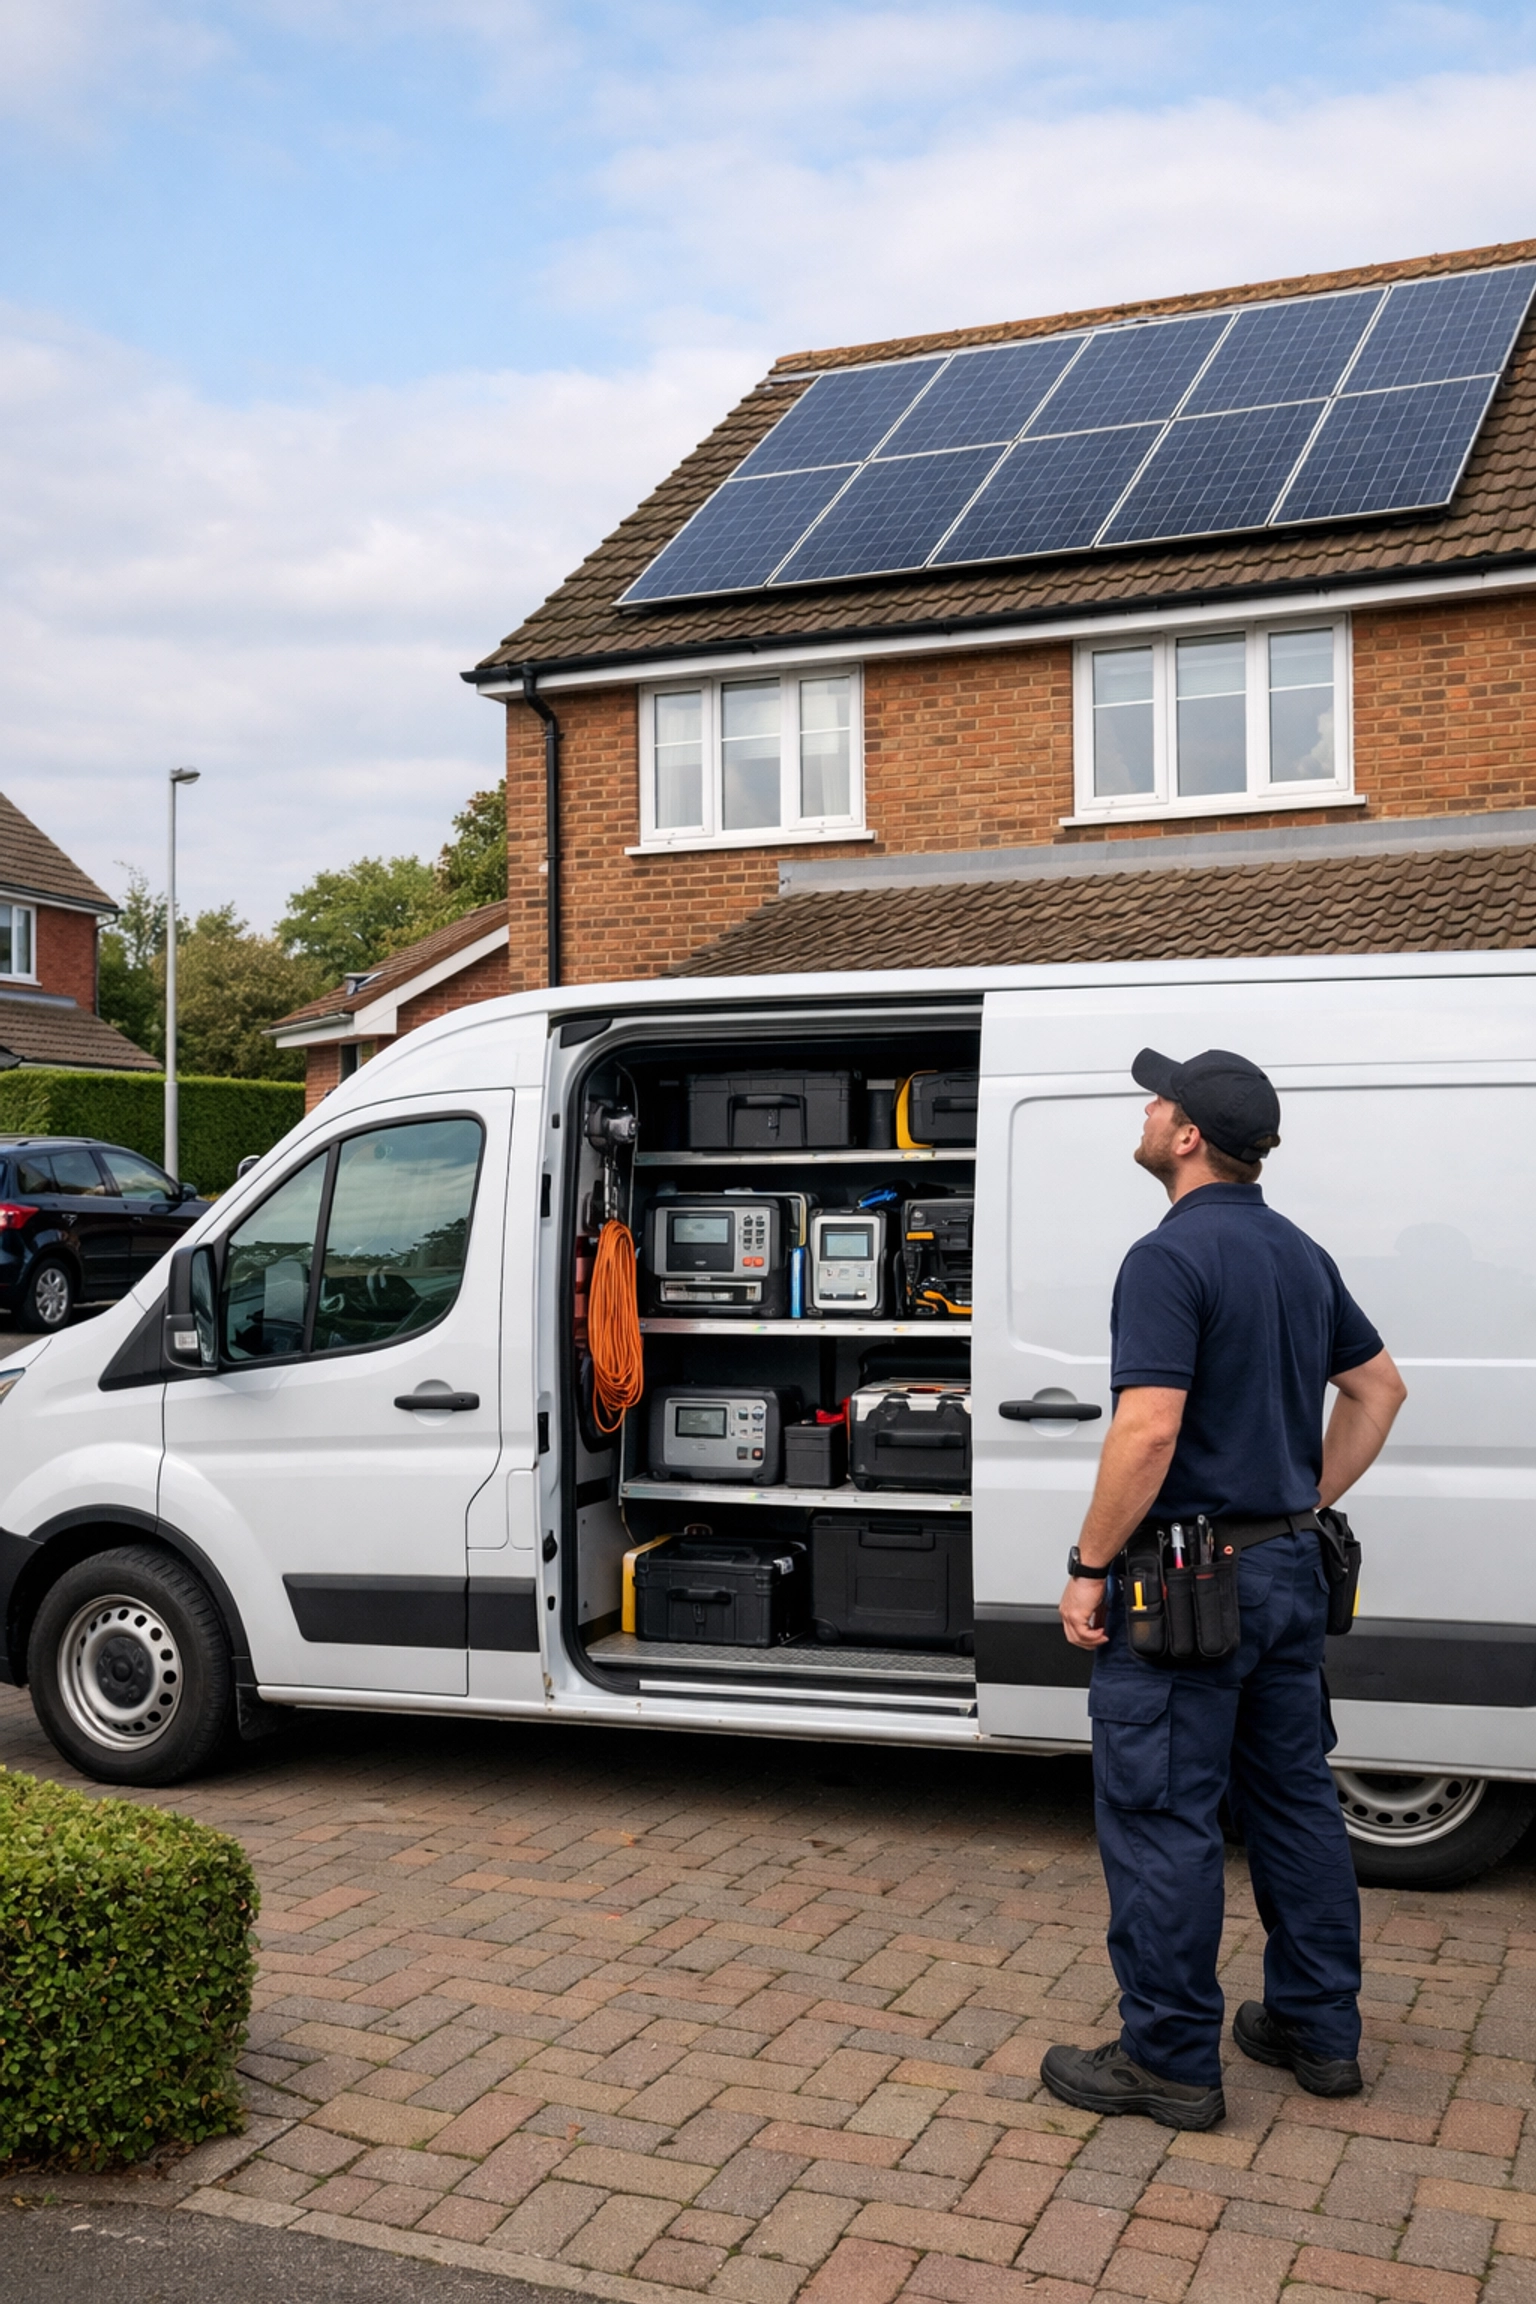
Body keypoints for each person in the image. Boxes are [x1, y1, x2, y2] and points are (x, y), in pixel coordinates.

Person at [1040, 1047, 1407, 2133]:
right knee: (1294, 1802)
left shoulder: (1168, 1257)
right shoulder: (1297, 1251)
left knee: (1163, 1816)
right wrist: (1297, 1498)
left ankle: (1166, 2061)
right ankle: (1315, 2029)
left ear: (1189, 1135)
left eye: (1160, 1101)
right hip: (1288, 1568)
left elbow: (1148, 1429)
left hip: (1190, 1588)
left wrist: (1088, 1565)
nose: (1148, 1113)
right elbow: (1379, 1389)